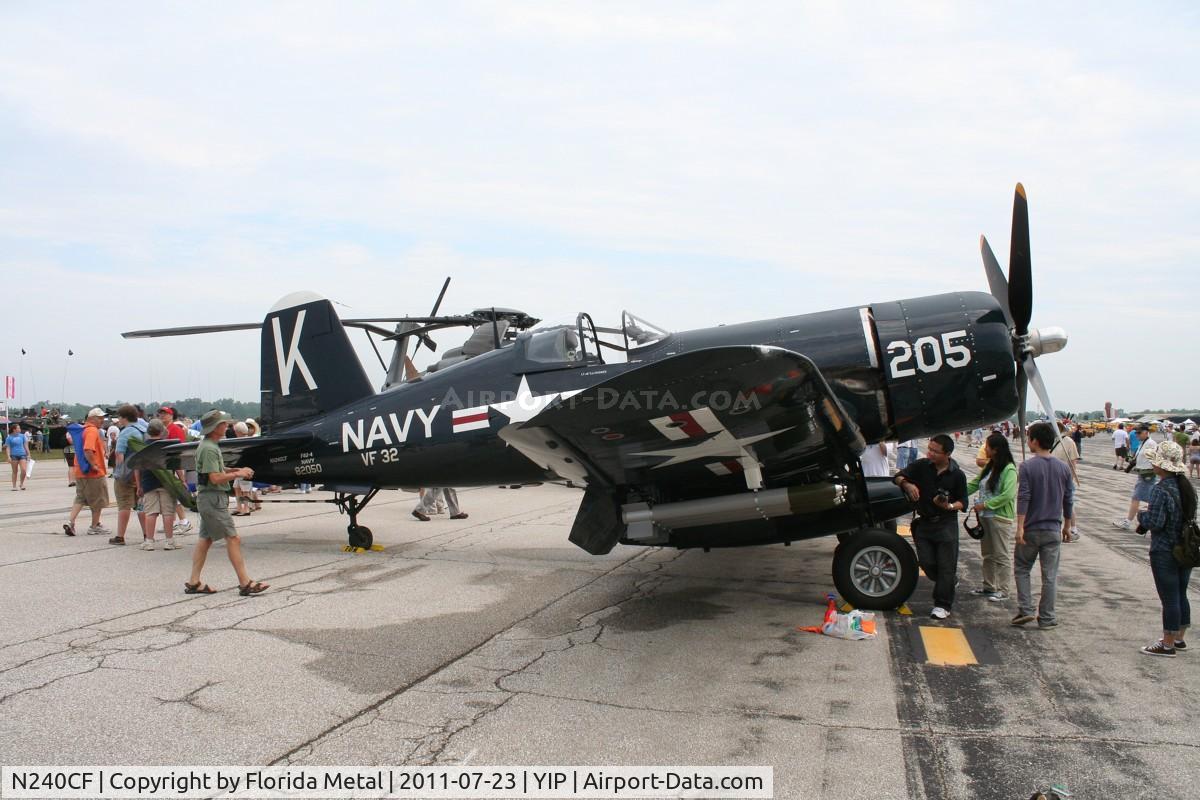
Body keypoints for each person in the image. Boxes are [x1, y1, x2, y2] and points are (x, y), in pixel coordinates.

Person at [184, 410, 268, 596]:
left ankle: (194, 581)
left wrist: (237, 469)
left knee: (205, 540)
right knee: (233, 538)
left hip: (209, 499)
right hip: (213, 498)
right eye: (223, 424)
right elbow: (214, 478)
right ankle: (245, 583)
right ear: (215, 428)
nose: (226, 426)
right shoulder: (209, 448)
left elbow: (215, 470)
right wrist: (239, 474)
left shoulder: (208, 445)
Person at [894, 434, 968, 620]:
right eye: (930, 449)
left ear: (948, 454)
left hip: (946, 524)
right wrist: (907, 484)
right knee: (927, 562)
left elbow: (963, 501)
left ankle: (942, 604)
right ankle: (949, 581)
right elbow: (897, 476)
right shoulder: (921, 466)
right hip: (924, 523)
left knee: (946, 566)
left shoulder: (957, 475)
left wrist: (949, 506)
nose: (931, 454)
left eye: (936, 451)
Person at [1011, 422, 1075, 629]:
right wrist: (1067, 525)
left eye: (1029, 438)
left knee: (1022, 568)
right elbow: (1068, 499)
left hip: (1031, 528)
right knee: (1050, 576)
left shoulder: (1027, 466)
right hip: (1053, 530)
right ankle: (1047, 617)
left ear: (1035, 441)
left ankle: (1026, 609)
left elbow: (1024, 497)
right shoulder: (1063, 468)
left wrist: (1020, 526)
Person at [1135, 441, 1196, 657]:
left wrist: (1142, 515)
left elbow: (1156, 522)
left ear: (1162, 465)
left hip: (1165, 550)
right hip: (1184, 549)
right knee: (1181, 593)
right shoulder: (1186, 488)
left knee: (1169, 597)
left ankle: (1167, 644)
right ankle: (1179, 638)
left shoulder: (1160, 489)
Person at [967, 432, 1017, 602]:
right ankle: (989, 586)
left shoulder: (1009, 469)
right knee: (988, 553)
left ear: (995, 450)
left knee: (1001, 554)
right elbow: (974, 484)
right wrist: (957, 495)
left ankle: (1003, 590)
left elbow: (1008, 494)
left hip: (999, 518)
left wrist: (986, 505)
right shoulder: (990, 466)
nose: (984, 449)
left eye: (987, 446)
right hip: (985, 517)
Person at [63, 408, 110, 536]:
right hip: (92, 473)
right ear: (91, 419)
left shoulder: (83, 430)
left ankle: (70, 521)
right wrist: (94, 465)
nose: (102, 420)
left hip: (80, 470)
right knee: (98, 500)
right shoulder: (92, 431)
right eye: (99, 418)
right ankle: (94, 526)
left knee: (80, 498)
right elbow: (88, 449)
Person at [137, 418, 179, 551]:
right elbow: (176, 465)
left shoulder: (142, 446)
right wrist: (181, 480)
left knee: (151, 512)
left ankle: (149, 541)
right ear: (162, 431)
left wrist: (139, 486)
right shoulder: (167, 446)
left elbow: (136, 468)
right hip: (166, 482)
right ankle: (169, 541)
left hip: (148, 482)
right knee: (168, 512)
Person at [109, 404, 147, 546]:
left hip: (127, 474)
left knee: (124, 504)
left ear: (124, 417)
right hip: (142, 473)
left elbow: (120, 455)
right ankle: (147, 534)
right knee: (141, 506)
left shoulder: (126, 432)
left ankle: (120, 536)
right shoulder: (143, 429)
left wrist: (119, 471)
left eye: (119, 416)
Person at [1114, 425, 1159, 530]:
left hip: (1147, 475)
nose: (1137, 435)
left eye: (1139, 433)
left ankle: (1128, 521)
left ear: (1146, 432)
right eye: (1136, 433)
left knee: (1136, 498)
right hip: (1143, 474)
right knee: (1148, 499)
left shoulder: (1151, 443)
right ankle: (1153, 519)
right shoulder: (1143, 443)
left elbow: (1154, 459)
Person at [157, 406, 193, 535]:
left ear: (171, 416)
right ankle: (172, 522)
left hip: (174, 467)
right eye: (160, 413)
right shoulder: (162, 430)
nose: (162, 416)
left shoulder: (175, 430)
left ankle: (184, 521)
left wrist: (182, 476)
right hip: (166, 467)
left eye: (165, 414)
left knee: (174, 495)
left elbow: (178, 453)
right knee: (169, 496)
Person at [1051, 421, 1081, 542]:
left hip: (1064, 477)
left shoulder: (1069, 442)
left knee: (1068, 503)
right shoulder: (1051, 441)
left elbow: (1073, 461)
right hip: (1051, 476)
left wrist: (1072, 478)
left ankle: (1073, 528)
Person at [4, 423, 30, 491]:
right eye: (18, 428)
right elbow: (8, 448)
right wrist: (8, 456)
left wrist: (28, 454)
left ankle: (21, 484)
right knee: (15, 471)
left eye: (19, 428)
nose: (20, 429)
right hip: (14, 456)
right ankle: (14, 486)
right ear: (14, 429)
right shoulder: (9, 438)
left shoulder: (22, 436)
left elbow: (26, 446)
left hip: (22, 455)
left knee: (24, 470)